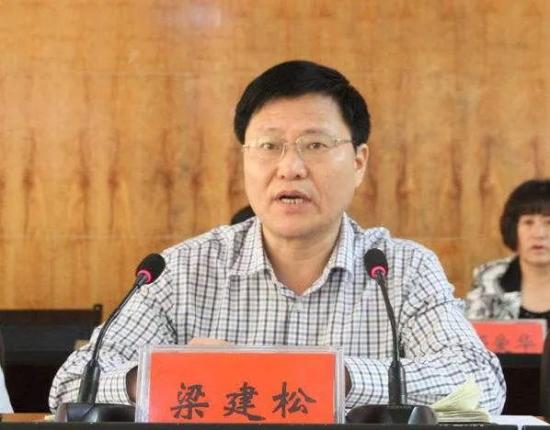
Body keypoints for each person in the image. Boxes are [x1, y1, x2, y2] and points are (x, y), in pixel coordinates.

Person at [49, 60, 505, 414]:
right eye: (269, 146)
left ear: (359, 162)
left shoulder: (401, 269)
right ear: (244, 160)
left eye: (315, 145)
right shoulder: (182, 270)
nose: (290, 167)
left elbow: (481, 383)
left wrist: (332, 378)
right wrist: (161, 375)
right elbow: (70, 386)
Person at [466, 179, 550, 321]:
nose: (539, 234)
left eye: (549, 223)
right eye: (528, 222)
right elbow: (472, 332)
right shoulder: (490, 277)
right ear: (513, 228)